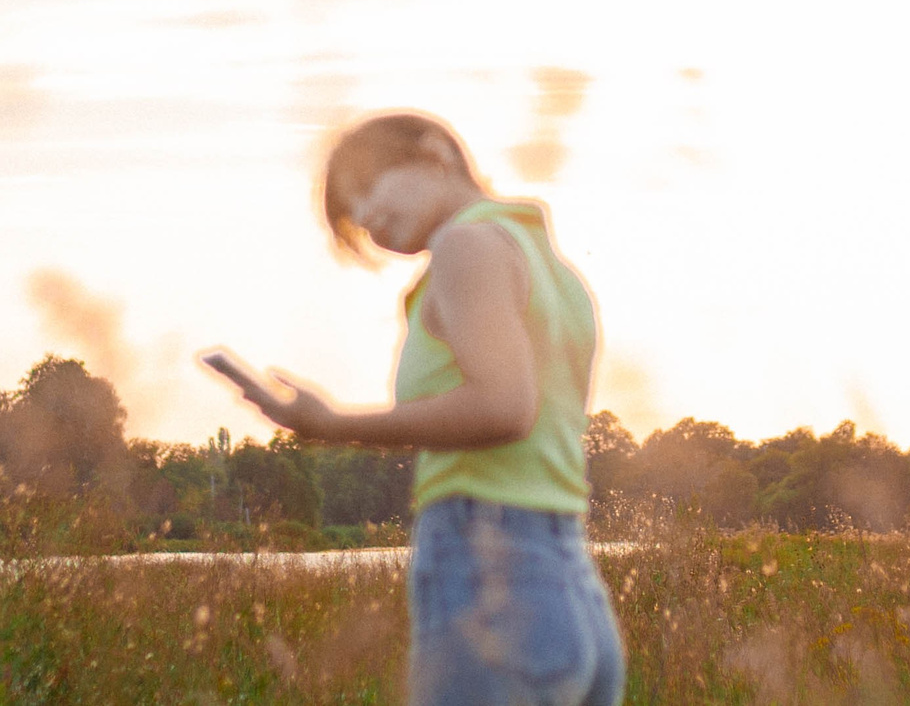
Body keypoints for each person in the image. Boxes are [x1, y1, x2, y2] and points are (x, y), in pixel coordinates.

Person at [209, 109, 623, 706]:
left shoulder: (466, 246)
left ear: (435, 152)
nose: (368, 219)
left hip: (489, 564)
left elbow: (505, 408)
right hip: (567, 583)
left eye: (368, 190)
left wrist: (331, 425)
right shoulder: (551, 268)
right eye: (354, 217)